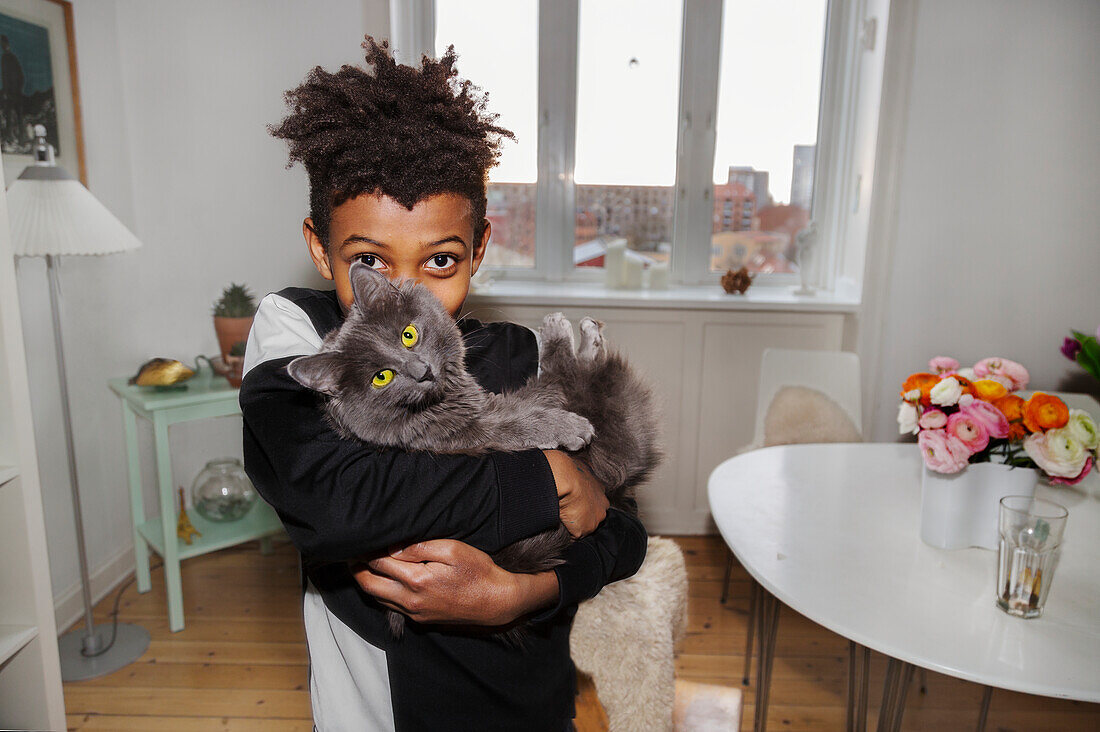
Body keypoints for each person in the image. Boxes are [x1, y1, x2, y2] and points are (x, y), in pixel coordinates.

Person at [241, 37, 648, 731]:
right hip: (381, 714)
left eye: (439, 261)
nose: (408, 300)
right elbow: (336, 500)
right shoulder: (299, 336)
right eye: (369, 258)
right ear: (319, 246)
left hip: (533, 707)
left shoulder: (520, 353)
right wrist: (546, 475)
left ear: (480, 249)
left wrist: (527, 595)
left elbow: (624, 530)